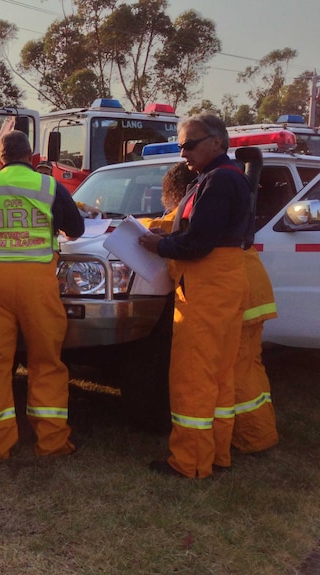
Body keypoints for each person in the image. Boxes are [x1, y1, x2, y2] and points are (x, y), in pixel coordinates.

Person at [0, 130, 84, 460]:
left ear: (0, 157)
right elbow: (77, 229)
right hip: (37, 282)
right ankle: (52, 442)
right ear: (32, 156)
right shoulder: (48, 186)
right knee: (46, 361)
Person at [138, 113, 251, 479]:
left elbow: (198, 242)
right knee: (218, 376)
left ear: (217, 142)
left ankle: (189, 462)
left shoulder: (217, 182)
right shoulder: (224, 178)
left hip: (207, 289)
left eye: (189, 144)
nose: (182, 152)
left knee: (192, 377)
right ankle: (216, 454)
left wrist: (159, 245)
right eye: (179, 145)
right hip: (223, 284)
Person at [232, 247, 279, 454]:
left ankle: (255, 438)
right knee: (251, 365)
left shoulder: (203, 213)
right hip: (254, 292)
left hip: (243, 297)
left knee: (238, 370)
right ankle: (263, 430)